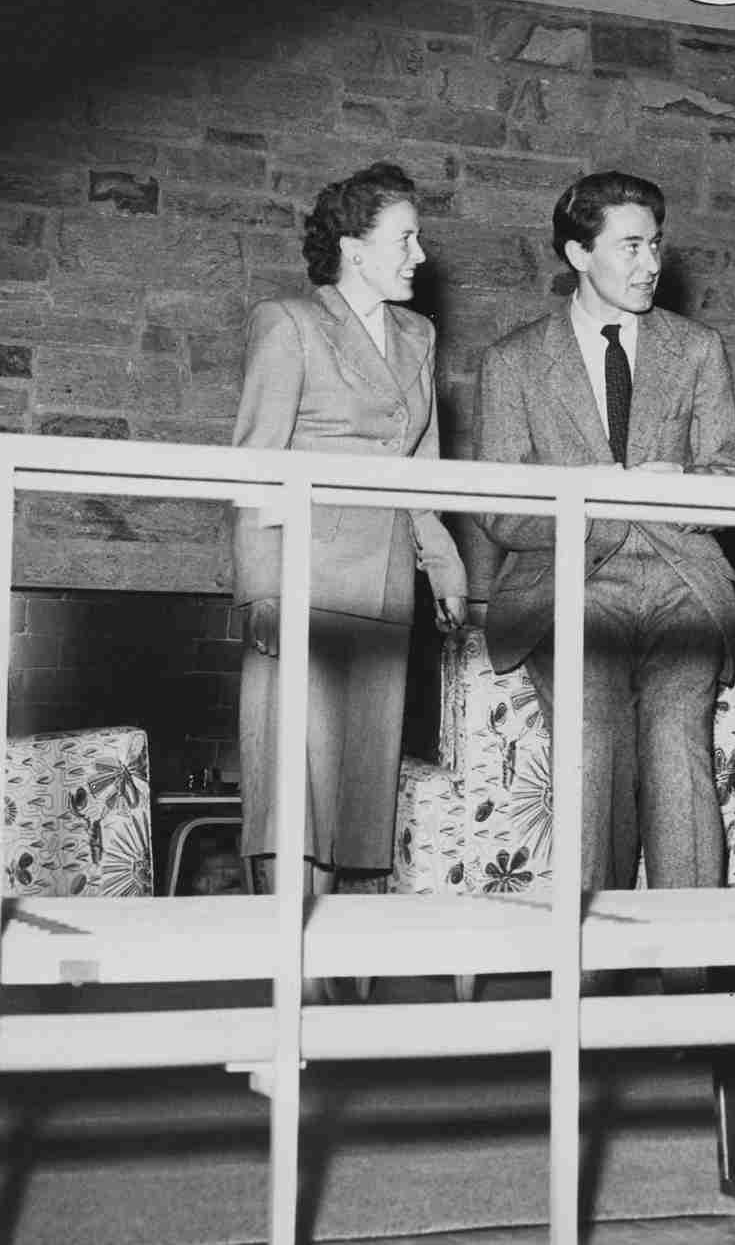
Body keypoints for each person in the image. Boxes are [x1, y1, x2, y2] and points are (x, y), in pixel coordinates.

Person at [475, 170, 735, 898]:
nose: (650, 264)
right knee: (591, 738)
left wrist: (684, 486)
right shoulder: (513, 361)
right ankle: (587, 967)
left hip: (681, 580)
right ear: (576, 253)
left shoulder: (696, 348)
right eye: (629, 247)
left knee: (675, 741)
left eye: (655, 245)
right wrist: (601, 497)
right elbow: (500, 509)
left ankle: (692, 968)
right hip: (570, 584)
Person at [231, 162, 468, 913]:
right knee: (296, 783)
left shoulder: (418, 335)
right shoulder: (289, 323)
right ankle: (290, 965)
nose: (419, 256)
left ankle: (334, 966)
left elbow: (422, 468)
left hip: (387, 581)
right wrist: (263, 590)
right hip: (306, 581)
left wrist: (445, 566)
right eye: (404, 239)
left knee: (359, 789)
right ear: (353, 248)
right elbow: (255, 465)